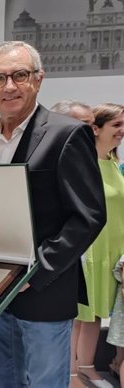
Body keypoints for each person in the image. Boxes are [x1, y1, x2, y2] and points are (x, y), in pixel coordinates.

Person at [0, 41, 107, 388]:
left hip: (44, 291)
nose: (9, 86)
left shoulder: (67, 134)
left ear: (38, 80)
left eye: (20, 75)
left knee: (44, 382)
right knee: (3, 378)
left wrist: (35, 271)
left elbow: (88, 216)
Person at [50, 100, 112, 388]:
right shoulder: (59, 162)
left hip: (102, 252)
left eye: (91, 125)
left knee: (92, 314)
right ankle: (72, 372)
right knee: (76, 318)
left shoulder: (106, 160)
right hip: (69, 257)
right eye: (83, 125)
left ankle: (80, 369)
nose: (90, 132)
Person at [91, 104, 124, 387]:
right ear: (96, 128)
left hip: (116, 254)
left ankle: (110, 364)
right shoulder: (87, 165)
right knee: (87, 316)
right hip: (94, 251)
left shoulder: (114, 162)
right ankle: (79, 370)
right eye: (116, 125)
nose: (122, 131)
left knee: (102, 315)